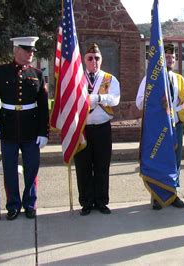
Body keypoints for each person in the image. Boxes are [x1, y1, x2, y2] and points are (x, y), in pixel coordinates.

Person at [0, 36, 49, 220]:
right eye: (27, 50)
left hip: (31, 128)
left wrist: (43, 132)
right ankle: (13, 205)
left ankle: (30, 204)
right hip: (8, 127)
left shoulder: (37, 74)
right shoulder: (0, 72)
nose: (31, 53)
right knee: (10, 169)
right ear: (15, 50)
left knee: (32, 169)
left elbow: (43, 107)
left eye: (32, 51)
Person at [136, 43, 184, 210]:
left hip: (175, 126)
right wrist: (158, 107)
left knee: (175, 161)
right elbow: (139, 103)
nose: (170, 59)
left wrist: (172, 111)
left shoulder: (180, 79)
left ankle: (173, 194)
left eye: (172, 57)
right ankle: (158, 196)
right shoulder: (149, 79)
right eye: (166, 57)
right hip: (158, 127)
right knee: (158, 160)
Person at [74, 43, 120, 216]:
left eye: (97, 58)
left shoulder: (109, 79)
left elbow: (115, 99)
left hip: (102, 128)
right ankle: (86, 202)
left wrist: (98, 97)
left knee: (102, 165)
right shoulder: (77, 78)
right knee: (83, 166)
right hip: (82, 129)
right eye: (90, 58)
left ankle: (101, 201)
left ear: (101, 59)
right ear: (84, 60)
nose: (94, 61)